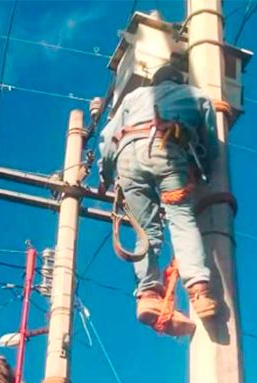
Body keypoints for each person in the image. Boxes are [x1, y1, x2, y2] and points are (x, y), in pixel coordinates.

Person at [97, 64, 218, 336]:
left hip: (127, 156)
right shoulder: (197, 95)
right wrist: (207, 169)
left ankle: (149, 294)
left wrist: (104, 175)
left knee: (146, 230)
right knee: (181, 218)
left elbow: (107, 139)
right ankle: (199, 290)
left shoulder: (133, 97)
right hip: (167, 148)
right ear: (179, 80)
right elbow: (210, 141)